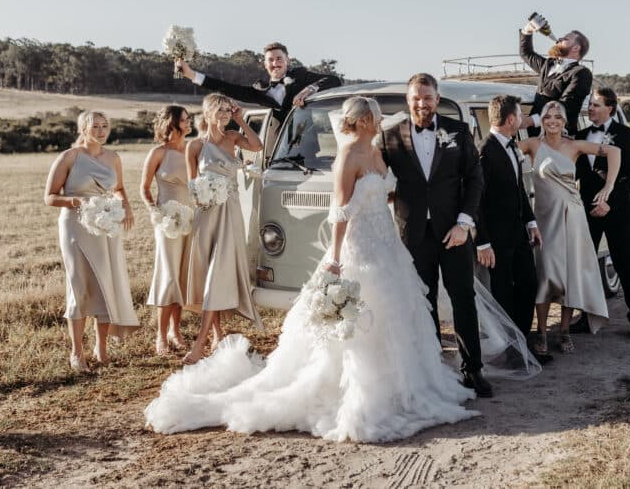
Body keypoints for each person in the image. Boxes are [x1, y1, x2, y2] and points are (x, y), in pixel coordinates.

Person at [144, 96, 479, 442]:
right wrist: (334, 258)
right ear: (363, 121)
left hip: (387, 246)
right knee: (359, 325)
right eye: (377, 115)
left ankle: (404, 386)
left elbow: (382, 194)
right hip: (359, 247)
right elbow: (341, 211)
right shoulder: (348, 155)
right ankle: (362, 393)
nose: (382, 120)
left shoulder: (378, 152)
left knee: (397, 314)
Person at [380, 73, 492, 397]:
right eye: (416, 97)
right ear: (408, 99)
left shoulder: (457, 131)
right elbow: (376, 174)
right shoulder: (388, 136)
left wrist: (464, 223)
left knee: (463, 300)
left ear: (437, 98)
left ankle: (473, 370)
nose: (421, 103)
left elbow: (475, 179)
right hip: (412, 234)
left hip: (453, 232)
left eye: (427, 97)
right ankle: (430, 372)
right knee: (422, 302)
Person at [518, 101, 619, 355]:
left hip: (573, 217)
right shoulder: (532, 145)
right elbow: (501, 149)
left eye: (557, 117)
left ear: (564, 122)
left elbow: (615, 152)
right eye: (548, 117)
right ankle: (540, 332)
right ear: (542, 121)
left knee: (570, 274)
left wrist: (607, 189)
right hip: (544, 220)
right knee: (546, 274)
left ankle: (564, 331)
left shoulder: (574, 146)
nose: (552, 121)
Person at [43, 110, 139, 372]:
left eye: (105, 126)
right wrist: (78, 201)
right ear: (83, 128)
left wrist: (126, 207)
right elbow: (49, 197)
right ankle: (76, 352)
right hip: (76, 227)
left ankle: (101, 348)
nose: (101, 130)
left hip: (106, 227)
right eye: (95, 126)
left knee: (104, 284)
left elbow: (118, 188)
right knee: (80, 286)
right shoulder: (69, 157)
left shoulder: (113, 158)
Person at [182, 94, 264, 364]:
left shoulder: (233, 137)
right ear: (207, 114)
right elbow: (191, 186)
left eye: (228, 111)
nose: (225, 115)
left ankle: (199, 344)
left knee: (218, 273)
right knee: (209, 274)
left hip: (230, 214)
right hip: (207, 216)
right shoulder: (195, 146)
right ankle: (216, 334)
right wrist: (201, 196)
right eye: (220, 111)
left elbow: (258, 145)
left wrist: (241, 119)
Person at [572, 88, 630, 340]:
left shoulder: (627, 136)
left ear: (610, 108)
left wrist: (609, 202)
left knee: (625, 265)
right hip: (587, 210)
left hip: (618, 211)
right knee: (585, 265)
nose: (590, 109)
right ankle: (585, 316)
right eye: (590, 105)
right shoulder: (580, 136)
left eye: (595, 105)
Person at [474, 94, 543, 361]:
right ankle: (514, 352)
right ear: (511, 119)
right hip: (495, 240)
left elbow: (518, 190)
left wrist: (532, 222)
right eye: (521, 117)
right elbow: (475, 202)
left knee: (528, 285)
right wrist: (483, 242)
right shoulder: (484, 151)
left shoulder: (512, 147)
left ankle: (522, 344)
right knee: (503, 294)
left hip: (518, 234)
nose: (524, 121)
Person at [175, 42, 342, 123]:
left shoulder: (300, 75)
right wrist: (192, 75)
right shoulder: (259, 89)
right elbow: (227, 88)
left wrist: (308, 90)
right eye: (271, 60)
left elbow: (334, 80)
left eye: (279, 59)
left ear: (287, 60)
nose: (275, 63)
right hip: (279, 146)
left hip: (307, 145)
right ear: (264, 63)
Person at [140, 105, 194, 357]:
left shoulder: (192, 149)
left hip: (190, 219)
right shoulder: (158, 152)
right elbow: (144, 188)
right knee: (168, 274)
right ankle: (160, 336)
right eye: (184, 120)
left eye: (188, 119)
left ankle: (176, 330)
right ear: (171, 124)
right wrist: (155, 211)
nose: (189, 122)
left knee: (182, 275)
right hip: (166, 221)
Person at [519, 22, 593, 137]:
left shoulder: (581, 73)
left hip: (559, 140)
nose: (559, 39)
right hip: (535, 139)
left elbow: (566, 106)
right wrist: (527, 31)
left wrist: (530, 121)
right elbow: (526, 54)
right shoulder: (548, 65)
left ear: (576, 48)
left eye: (565, 39)